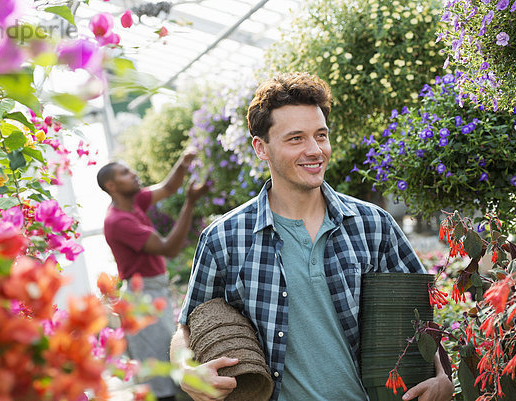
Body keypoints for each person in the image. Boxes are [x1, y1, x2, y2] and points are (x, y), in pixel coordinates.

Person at [170, 72, 454, 401]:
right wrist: (185, 371)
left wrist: (442, 375)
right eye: (296, 139)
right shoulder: (224, 239)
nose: (315, 150)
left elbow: (419, 312)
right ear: (261, 148)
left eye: (321, 135)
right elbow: (187, 326)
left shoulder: (372, 224)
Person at [97, 151, 210, 401]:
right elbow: (169, 247)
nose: (133, 174)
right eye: (125, 173)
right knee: (160, 382)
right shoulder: (118, 221)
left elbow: (169, 187)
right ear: (112, 186)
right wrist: (190, 202)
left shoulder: (134, 202)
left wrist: (184, 161)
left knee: (171, 364)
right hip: (142, 298)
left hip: (154, 291)